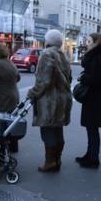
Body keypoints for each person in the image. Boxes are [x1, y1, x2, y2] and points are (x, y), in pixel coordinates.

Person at [27, 29, 72, 172]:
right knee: (57, 129)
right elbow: (69, 78)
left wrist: (32, 93)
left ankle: (50, 161)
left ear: (48, 41)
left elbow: (43, 80)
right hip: (62, 98)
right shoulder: (63, 55)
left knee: (48, 130)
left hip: (50, 100)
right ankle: (57, 159)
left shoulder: (46, 54)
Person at [75, 33, 101, 168]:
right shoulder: (96, 56)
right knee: (91, 129)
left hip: (97, 99)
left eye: (89, 41)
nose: (87, 43)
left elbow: (97, 79)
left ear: (97, 43)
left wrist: (82, 78)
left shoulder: (98, 58)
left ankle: (93, 158)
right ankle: (90, 154)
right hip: (93, 98)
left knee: (92, 129)